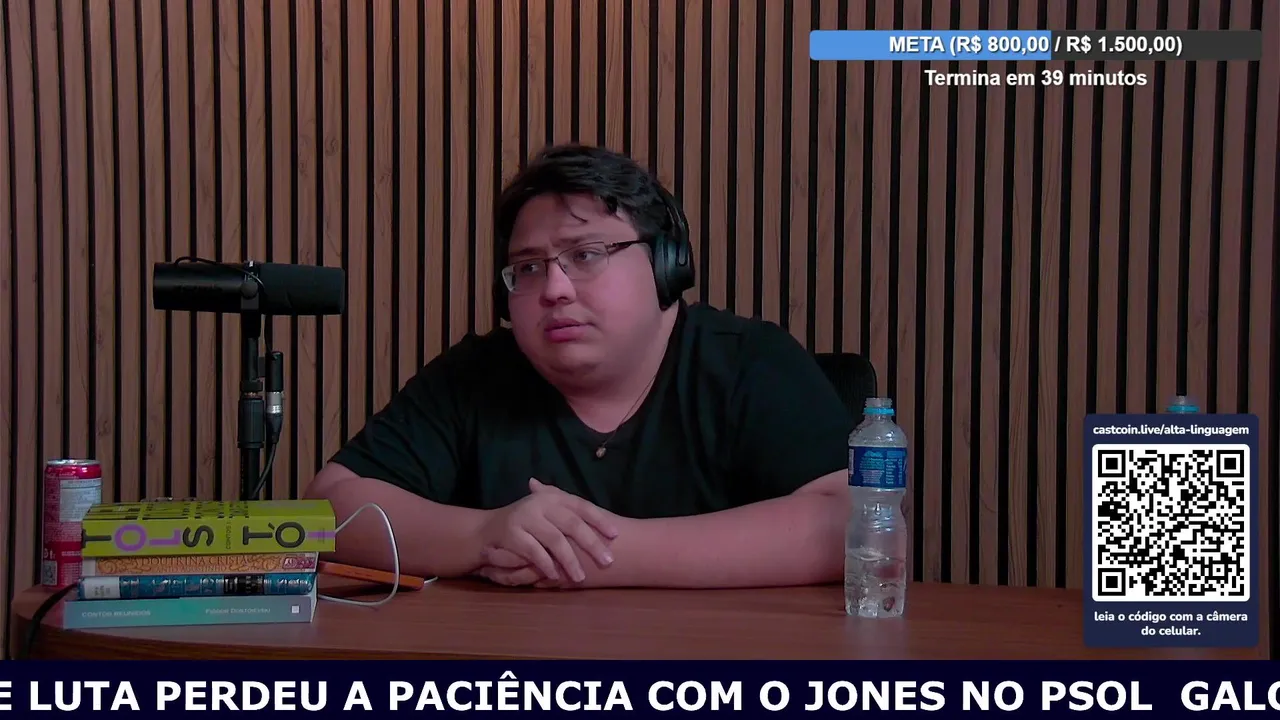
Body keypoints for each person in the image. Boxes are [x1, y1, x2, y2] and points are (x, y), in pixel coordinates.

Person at [305, 144, 854, 589]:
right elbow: (326, 511)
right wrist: (485, 535)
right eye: (528, 268)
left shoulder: (748, 362)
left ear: (665, 265)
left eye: (586, 255)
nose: (555, 289)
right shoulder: (475, 374)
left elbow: (853, 522)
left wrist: (598, 554)